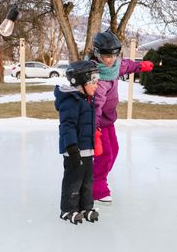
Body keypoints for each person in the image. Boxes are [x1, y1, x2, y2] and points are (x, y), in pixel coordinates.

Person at [90, 30, 154, 203]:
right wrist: (94, 129)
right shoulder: (96, 77)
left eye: (113, 55)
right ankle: (96, 185)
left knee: (115, 150)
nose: (109, 60)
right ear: (97, 53)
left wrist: (141, 66)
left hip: (109, 119)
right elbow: (95, 105)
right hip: (97, 122)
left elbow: (127, 65)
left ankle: (95, 176)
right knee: (105, 154)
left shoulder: (116, 66)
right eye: (105, 56)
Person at [54, 60, 102, 225]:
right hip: (74, 150)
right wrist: (72, 147)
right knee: (73, 182)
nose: (96, 86)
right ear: (80, 82)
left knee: (87, 181)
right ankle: (68, 210)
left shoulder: (86, 99)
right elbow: (67, 126)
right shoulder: (71, 100)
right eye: (93, 82)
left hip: (87, 150)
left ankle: (86, 208)